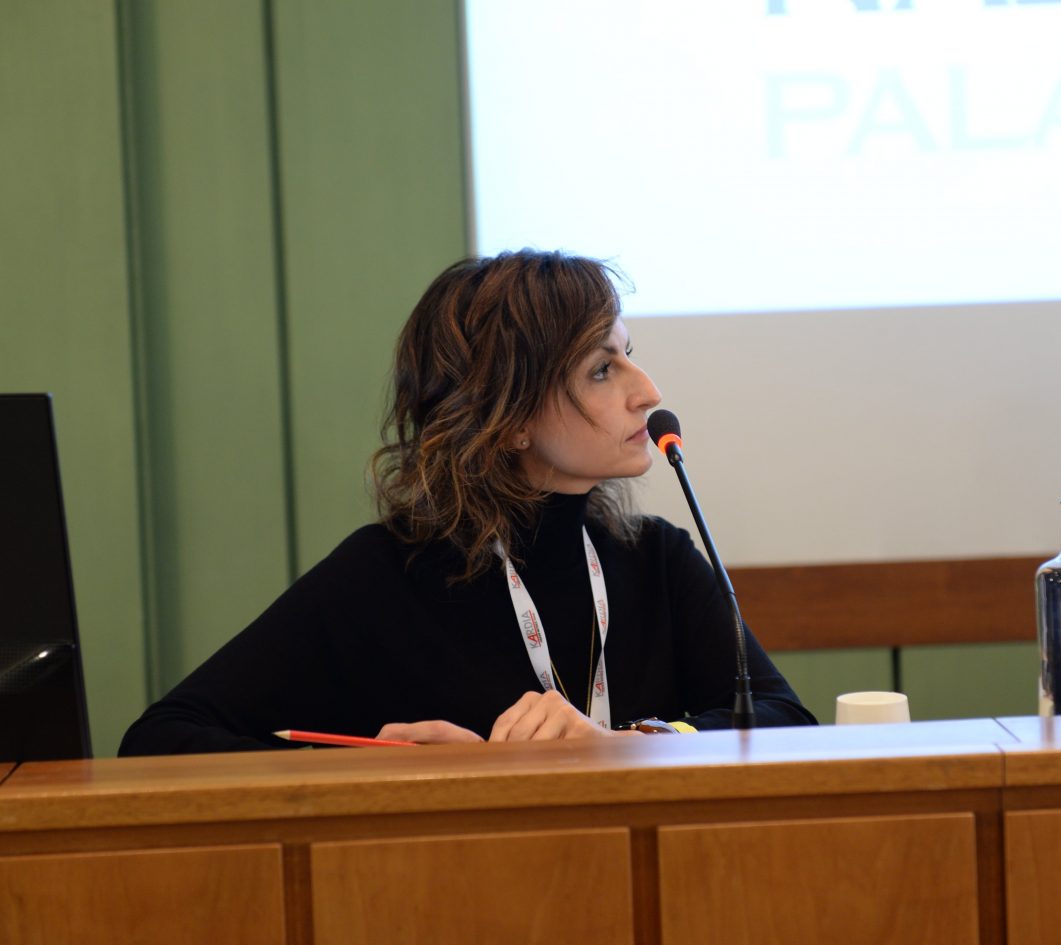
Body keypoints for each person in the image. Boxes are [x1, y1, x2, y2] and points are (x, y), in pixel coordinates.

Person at [119, 250, 815, 755]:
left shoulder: (655, 558)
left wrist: (633, 741)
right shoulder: (384, 575)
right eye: (603, 369)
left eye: (628, 354)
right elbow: (161, 737)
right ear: (509, 419)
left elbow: (785, 719)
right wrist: (374, 771)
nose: (648, 391)